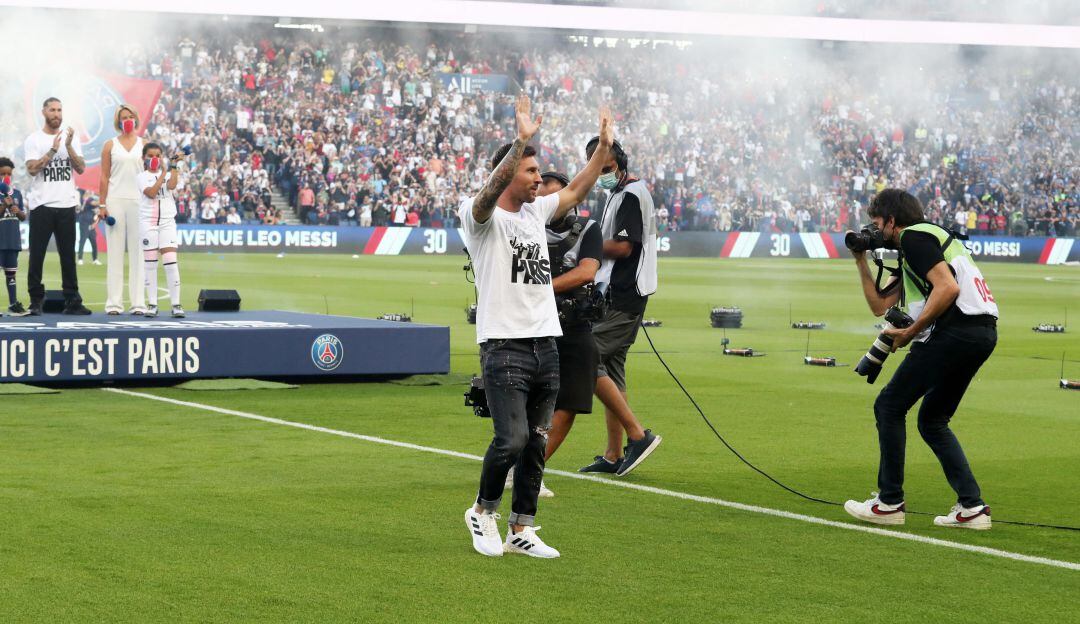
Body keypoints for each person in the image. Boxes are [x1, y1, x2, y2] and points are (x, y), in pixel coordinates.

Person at [460, 94, 612, 559]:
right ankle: (482, 511)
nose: (539, 181)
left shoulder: (535, 211)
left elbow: (579, 189)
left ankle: (521, 528)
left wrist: (603, 149)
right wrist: (519, 141)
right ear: (508, 173)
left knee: (536, 443)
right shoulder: (479, 217)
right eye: (530, 172)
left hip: (546, 341)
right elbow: (488, 195)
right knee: (512, 438)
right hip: (504, 343)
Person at [844, 189, 999, 530]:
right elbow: (879, 306)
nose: (874, 232)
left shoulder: (914, 238)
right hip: (982, 332)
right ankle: (971, 507)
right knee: (932, 420)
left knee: (889, 406)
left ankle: (888, 503)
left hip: (956, 331)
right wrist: (860, 259)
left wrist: (911, 331)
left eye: (876, 224)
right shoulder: (923, 242)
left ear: (892, 221)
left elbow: (947, 288)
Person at [578, 137, 662, 477]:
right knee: (611, 371)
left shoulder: (629, 194)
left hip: (626, 293)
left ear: (621, 162)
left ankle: (638, 435)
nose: (602, 173)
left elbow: (625, 247)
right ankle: (613, 455)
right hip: (617, 291)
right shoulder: (618, 192)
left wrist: (585, 249)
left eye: (607, 166)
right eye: (597, 167)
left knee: (585, 357)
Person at [22, 97, 90, 315]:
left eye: (59, 110)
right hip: (42, 204)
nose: (57, 114)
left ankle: (72, 300)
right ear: (43, 112)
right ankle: (35, 300)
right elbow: (32, 169)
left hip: (66, 204)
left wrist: (68, 146)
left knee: (68, 255)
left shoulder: (72, 138)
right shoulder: (34, 139)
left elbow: (80, 168)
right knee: (37, 255)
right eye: (52, 110)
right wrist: (52, 151)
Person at [99, 104, 146, 315]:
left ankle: (138, 304)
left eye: (130, 116)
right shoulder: (110, 145)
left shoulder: (145, 145)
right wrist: (102, 204)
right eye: (123, 117)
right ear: (118, 122)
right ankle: (114, 304)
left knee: (139, 255)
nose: (127, 120)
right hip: (115, 200)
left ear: (136, 119)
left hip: (139, 201)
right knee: (115, 254)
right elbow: (104, 176)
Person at [136, 143, 185, 318]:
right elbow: (151, 193)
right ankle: (152, 304)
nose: (154, 158)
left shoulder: (168, 173)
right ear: (143, 158)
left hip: (167, 222)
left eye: (157, 155)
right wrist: (163, 173)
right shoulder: (141, 177)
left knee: (171, 261)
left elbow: (171, 186)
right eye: (150, 155)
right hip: (148, 222)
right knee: (150, 264)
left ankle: (176, 304)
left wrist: (174, 167)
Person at [0, 157, 28, 315]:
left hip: (12, 240)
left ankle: (13, 304)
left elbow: (23, 217)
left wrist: (18, 211)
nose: (6, 176)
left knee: (11, 273)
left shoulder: (16, 193)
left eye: (9, 173)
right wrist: (4, 204)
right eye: (2, 173)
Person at [76, 195, 101, 266]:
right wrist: (103, 200)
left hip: (92, 225)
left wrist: (94, 224)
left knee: (94, 243)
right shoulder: (89, 200)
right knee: (82, 242)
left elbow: (99, 216)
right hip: (84, 224)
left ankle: (95, 259)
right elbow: (94, 203)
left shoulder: (99, 207)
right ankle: (80, 259)